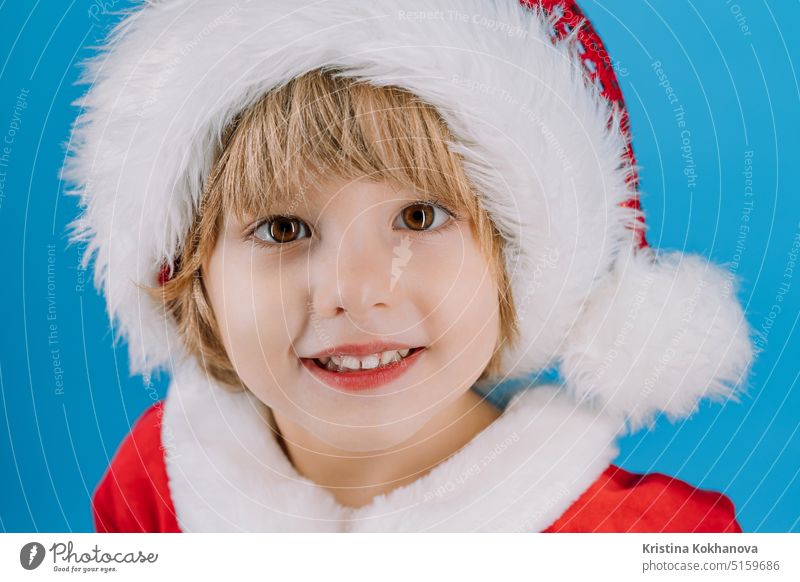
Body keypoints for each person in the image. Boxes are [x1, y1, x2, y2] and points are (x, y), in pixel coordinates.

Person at [63, 0, 754, 532]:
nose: (356, 293)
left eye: (418, 218)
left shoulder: (655, 543)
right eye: (282, 228)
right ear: (191, 273)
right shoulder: (154, 485)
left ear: (517, 257)